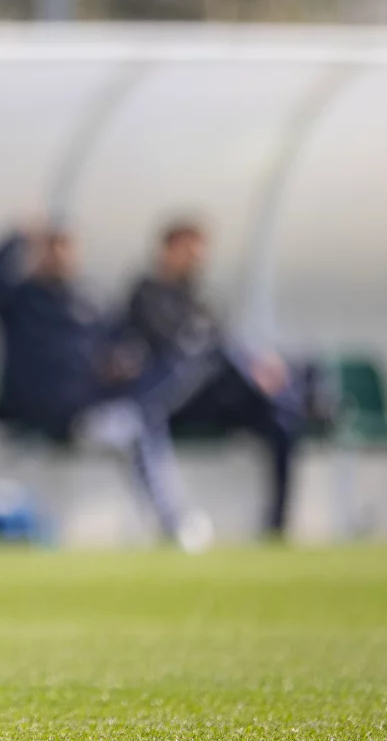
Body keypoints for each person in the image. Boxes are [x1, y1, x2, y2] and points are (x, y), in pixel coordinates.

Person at [0, 228, 206, 550]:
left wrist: (121, 361)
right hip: (34, 414)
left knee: (140, 421)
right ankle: (174, 522)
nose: (60, 257)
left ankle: (172, 520)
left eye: (65, 249)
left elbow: (123, 343)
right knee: (138, 423)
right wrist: (19, 236)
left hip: (84, 416)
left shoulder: (90, 301)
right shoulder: (19, 299)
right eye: (51, 249)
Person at [124, 220, 301, 537]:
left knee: (281, 416)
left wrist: (258, 365)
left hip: (213, 396)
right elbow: (175, 347)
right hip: (171, 402)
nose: (197, 260)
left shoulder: (203, 298)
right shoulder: (146, 294)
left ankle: (277, 524)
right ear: (168, 250)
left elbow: (224, 340)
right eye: (189, 251)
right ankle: (174, 521)